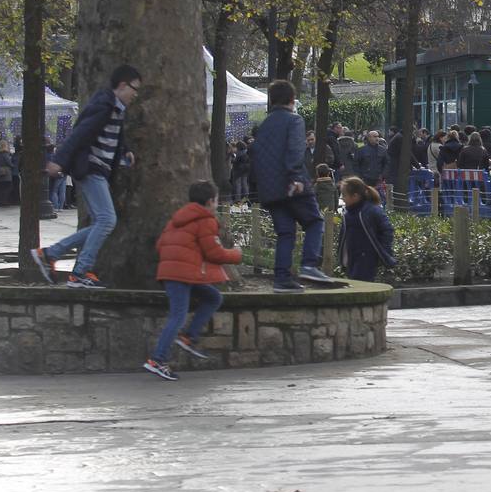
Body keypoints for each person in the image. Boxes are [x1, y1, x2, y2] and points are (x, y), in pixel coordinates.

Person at [31, 65, 141, 290]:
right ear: (122, 85)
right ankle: (79, 272)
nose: (135, 95)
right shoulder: (104, 106)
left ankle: (49, 254)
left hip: (98, 170)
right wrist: (59, 160)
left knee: (101, 223)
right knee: (107, 220)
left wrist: (125, 150)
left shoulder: (116, 108)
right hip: (90, 168)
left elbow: (114, 135)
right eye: (134, 89)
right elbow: (80, 133)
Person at [143, 180, 242, 381]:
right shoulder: (206, 220)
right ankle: (157, 360)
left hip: (172, 271)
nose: (216, 204)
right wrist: (236, 255)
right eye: (216, 200)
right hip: (182, 274)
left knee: (213, 297)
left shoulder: (178, 218)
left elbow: (161, 244)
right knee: (177, 316)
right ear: (210, 201)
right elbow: (214, 253)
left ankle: (189, 337)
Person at [247, 80, 332, 293]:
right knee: (314, 222)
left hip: (270, 190)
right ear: (292, 100)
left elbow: (256, 155)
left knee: (285, 233)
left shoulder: (263, 126)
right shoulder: (294, 120)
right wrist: (295, 177)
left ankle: (282, 279)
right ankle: (309, 265)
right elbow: (295, 149)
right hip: (292, 183)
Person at [338, 176, 396, 282]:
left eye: (344, 195)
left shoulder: (371, 210)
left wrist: (384, 251)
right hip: (352, 258)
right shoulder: (348, 214)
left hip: (367, 258)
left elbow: (387, 230)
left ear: (355, 196)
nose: (343, 199)